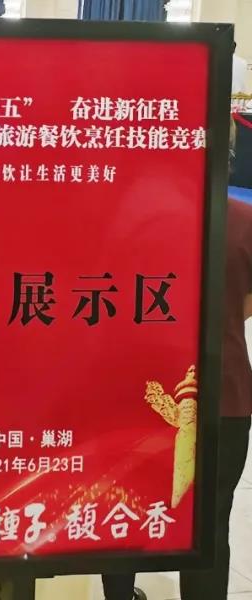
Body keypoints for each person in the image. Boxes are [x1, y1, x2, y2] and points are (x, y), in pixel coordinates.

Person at [99, 124, 252, 600]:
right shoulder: (243, 221)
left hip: (135, 392)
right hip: (223, 392)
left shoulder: (129, 216)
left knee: (123, 509)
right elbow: (247, 303)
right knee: (210, 524)